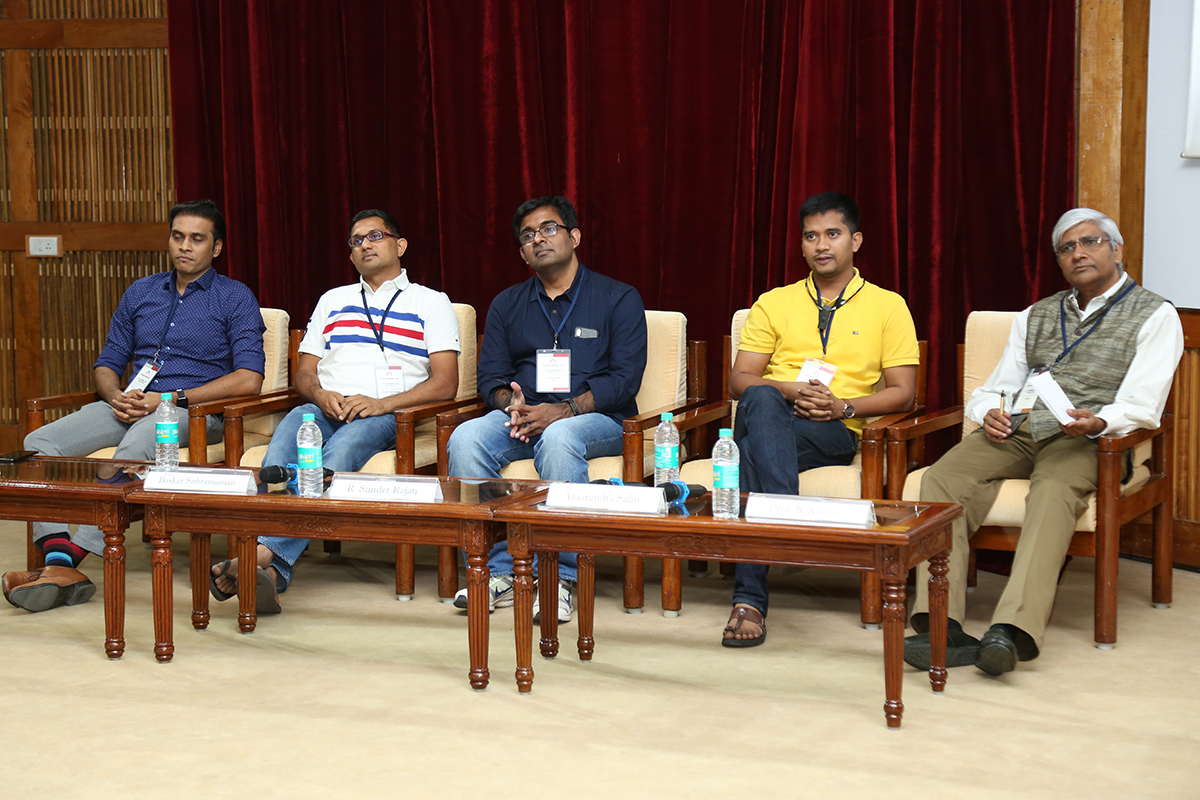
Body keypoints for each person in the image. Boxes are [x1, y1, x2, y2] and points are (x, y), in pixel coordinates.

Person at [904, 207, 1184, 676]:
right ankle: (940, 622)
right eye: (1067, 248)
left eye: (1091, 242)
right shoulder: (1036, 314)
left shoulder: (1156, 314)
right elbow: (996, 386)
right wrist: (987, 411)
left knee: (1052, 491)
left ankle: (1012, 631)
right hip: (1021, 429)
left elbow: (1144, 404)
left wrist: (1098, 422)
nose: (1079, 253)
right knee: (943, 478)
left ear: (1117, 249)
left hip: (1093, 439)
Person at [3, 200, 265, 613]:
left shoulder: (235, 297)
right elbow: (108, 362)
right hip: (128, 405)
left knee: (141, 441)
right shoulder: (141, 292)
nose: (185, 246)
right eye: (178, 236)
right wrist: (114, 395)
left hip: (191, 413)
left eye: (197, 239)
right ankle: (58, 556)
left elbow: (250, 379)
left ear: (216, 248)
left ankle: (68, 562)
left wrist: (166, 400)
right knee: (39, 442)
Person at [209, 209, 461, 612]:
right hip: (324, 406)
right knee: (277, 459)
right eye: (356, 240)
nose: (364, 244)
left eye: (375, 236)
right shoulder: (333, 300)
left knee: (334, 460)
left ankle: (257, 556)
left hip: (386, 413)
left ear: (400, 245)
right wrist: (320, 394)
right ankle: (272, 571)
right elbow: (304, 373)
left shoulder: (432, 303)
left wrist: (382, 404)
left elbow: (446, 383)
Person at [722, 191, 919, 647]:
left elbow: (904, 394)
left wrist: (842, 406)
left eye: (833, 234)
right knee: (763, 399)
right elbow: (739, 381)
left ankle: (750, 598)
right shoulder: (774, 302)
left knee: (750, 451)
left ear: (856, 240)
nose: (821, 245)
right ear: (802, 245)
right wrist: (788, 388)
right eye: (811, 236)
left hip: (834, 430)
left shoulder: (888, 306)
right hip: (772, 412)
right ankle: (785, 530)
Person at [447, 195, 647, 623]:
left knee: (559, 436)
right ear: (522, 253)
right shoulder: (506, 303)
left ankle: (561, 578)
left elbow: (625, 379)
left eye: (549, 228)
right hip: (523, 418)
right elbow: (491, 379)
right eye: (527, 235)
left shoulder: (618, 298)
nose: (538, 238)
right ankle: (495, 570)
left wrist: (563, 410)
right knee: (466, 436)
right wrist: (511, 405)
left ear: (574, 237)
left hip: (600, 419)